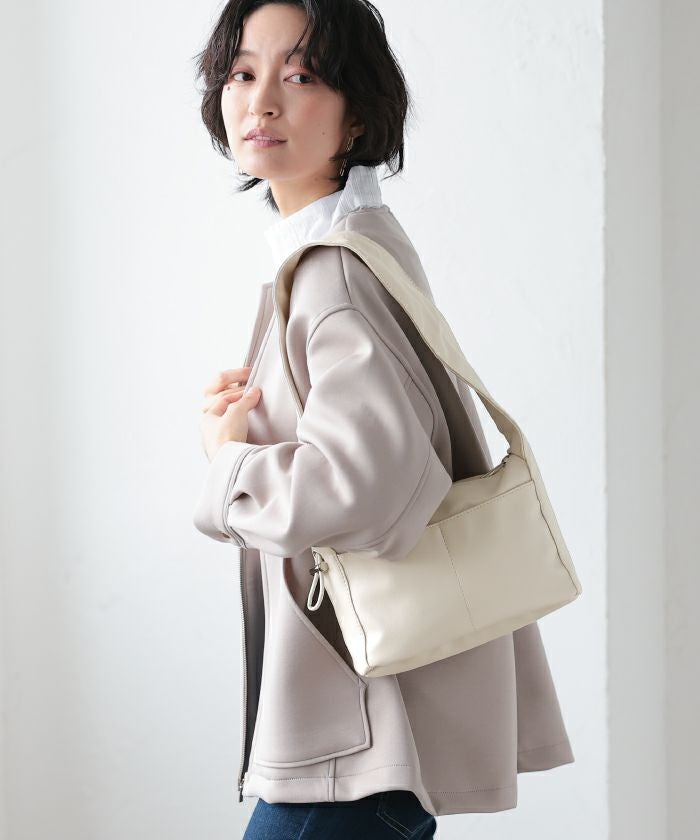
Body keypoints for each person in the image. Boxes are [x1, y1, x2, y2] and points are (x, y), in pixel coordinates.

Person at [192, 2, 575, 837]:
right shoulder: (355, 244)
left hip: (353, 730)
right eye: (243, 73)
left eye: (301, 76)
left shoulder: (333, 274)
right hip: (371, 720)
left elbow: (363, 487)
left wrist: (229, 464)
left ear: (359, 114)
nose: (262, 102)